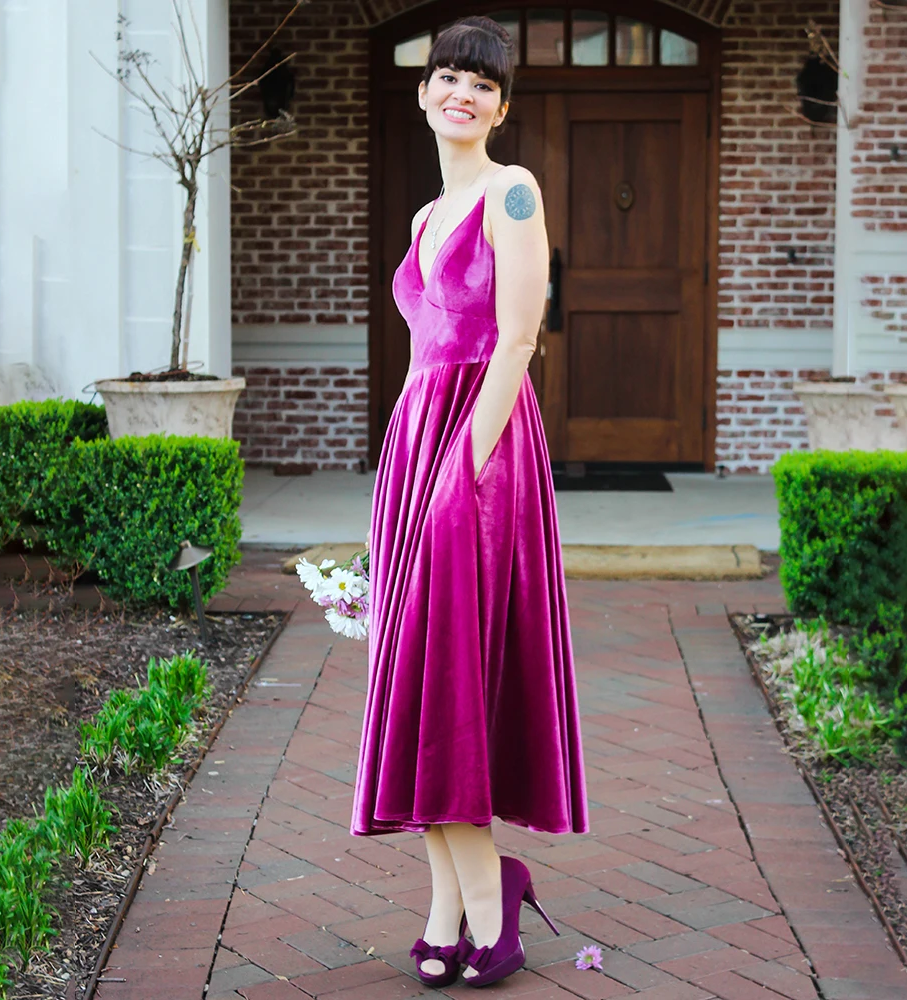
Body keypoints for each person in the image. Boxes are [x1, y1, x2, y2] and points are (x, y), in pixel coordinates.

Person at [350, 15, 588, 989]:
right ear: (422, 92)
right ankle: (446, 910)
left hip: (482, 454)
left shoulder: (513, 193)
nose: (462, 93)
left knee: (451, 675)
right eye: (447, 76)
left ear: (500, 103)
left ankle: (492, 916)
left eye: (481, 83)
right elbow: (422, 354)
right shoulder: (419, 218)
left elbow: (517, 343)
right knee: (418, 678)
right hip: (418, 443)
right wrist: (412, 472)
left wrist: (461, 470)